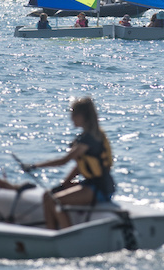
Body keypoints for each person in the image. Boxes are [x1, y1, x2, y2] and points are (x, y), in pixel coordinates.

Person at [25, 97, 116, 230]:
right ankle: (51, 232)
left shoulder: (88, 139)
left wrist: (34, 166)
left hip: (99, 188)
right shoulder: (87, 136)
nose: (71, 118)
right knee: (47, 195)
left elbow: (64, 161)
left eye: (73, 114)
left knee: (53, 200)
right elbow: (81, 166)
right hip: (91, 185)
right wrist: (65, 183)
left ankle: (66, 235)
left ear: (82, 116)